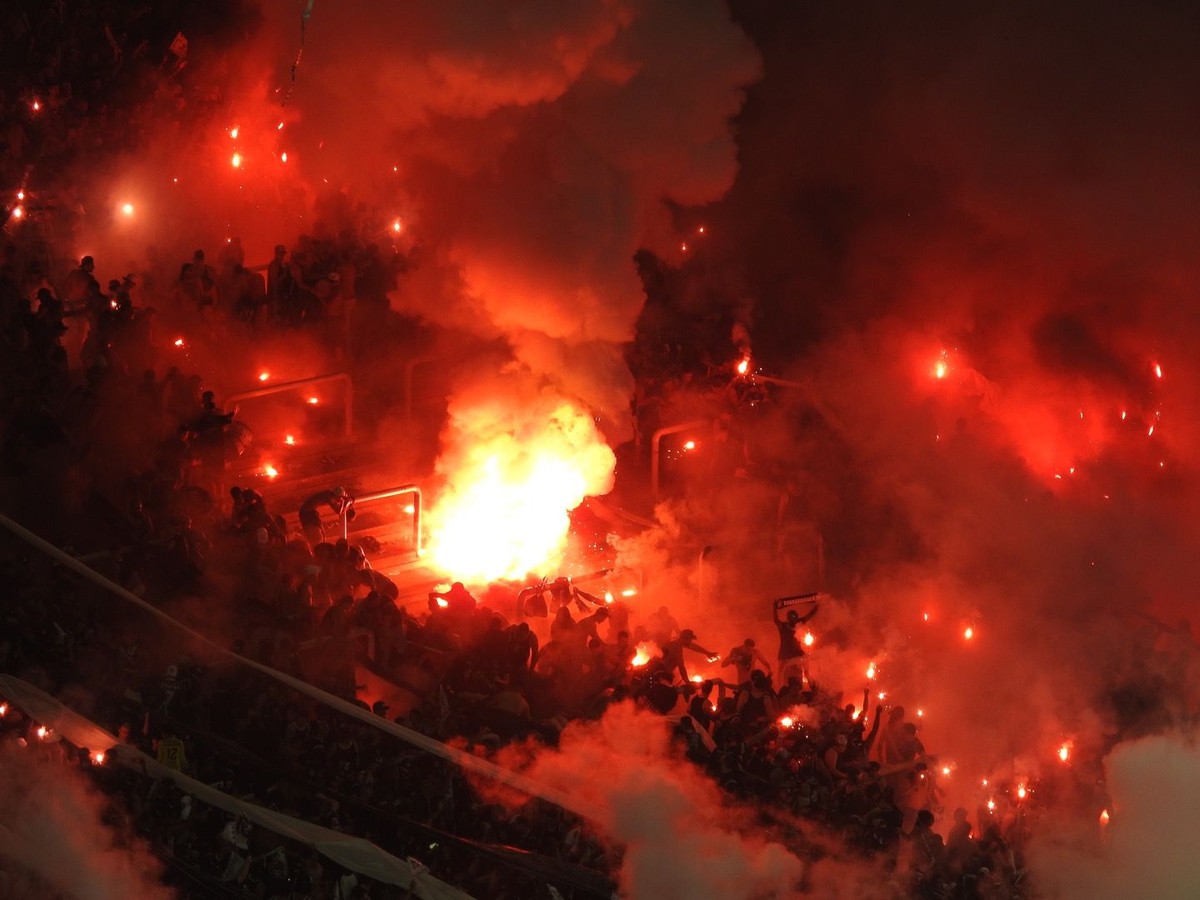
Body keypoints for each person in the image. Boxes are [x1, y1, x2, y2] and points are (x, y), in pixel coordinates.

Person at [773, 593, 819, 683]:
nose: (793, 620)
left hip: (797, 654)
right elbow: (776, 620)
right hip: (785, 655)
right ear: (788, 618)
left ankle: (812, 687)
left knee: (805, 673)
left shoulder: (798, 623)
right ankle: (779, 691)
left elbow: (810, 614)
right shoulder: (783, 626)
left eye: (795, 618)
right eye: (792, 618)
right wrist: (774, 608)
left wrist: (818, 603)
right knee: (781, 675)